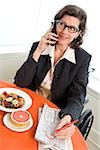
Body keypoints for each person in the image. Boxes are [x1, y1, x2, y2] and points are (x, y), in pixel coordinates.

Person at [14, 5, 91, 139]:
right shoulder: (39, 46)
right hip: (30, 105)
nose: (64, 31)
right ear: (54, 24)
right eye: (62, 24)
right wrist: (38, 50)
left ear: (78, 33)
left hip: (55, 112)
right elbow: (20, 82)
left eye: (72, 28)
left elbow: (78, 93)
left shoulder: (82, 58)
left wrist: (69, 116)